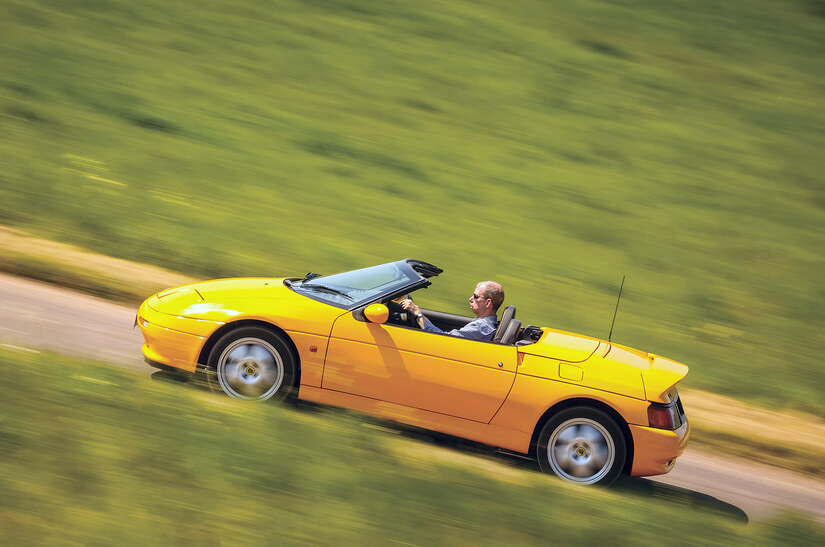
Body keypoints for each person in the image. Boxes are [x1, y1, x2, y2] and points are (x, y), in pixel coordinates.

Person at [400, 281, 504, 341]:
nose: (470, 298)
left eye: (476, 296)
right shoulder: (484, 324)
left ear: (488, 303)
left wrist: (417, 313)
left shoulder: (481, 328)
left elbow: (444, 340)